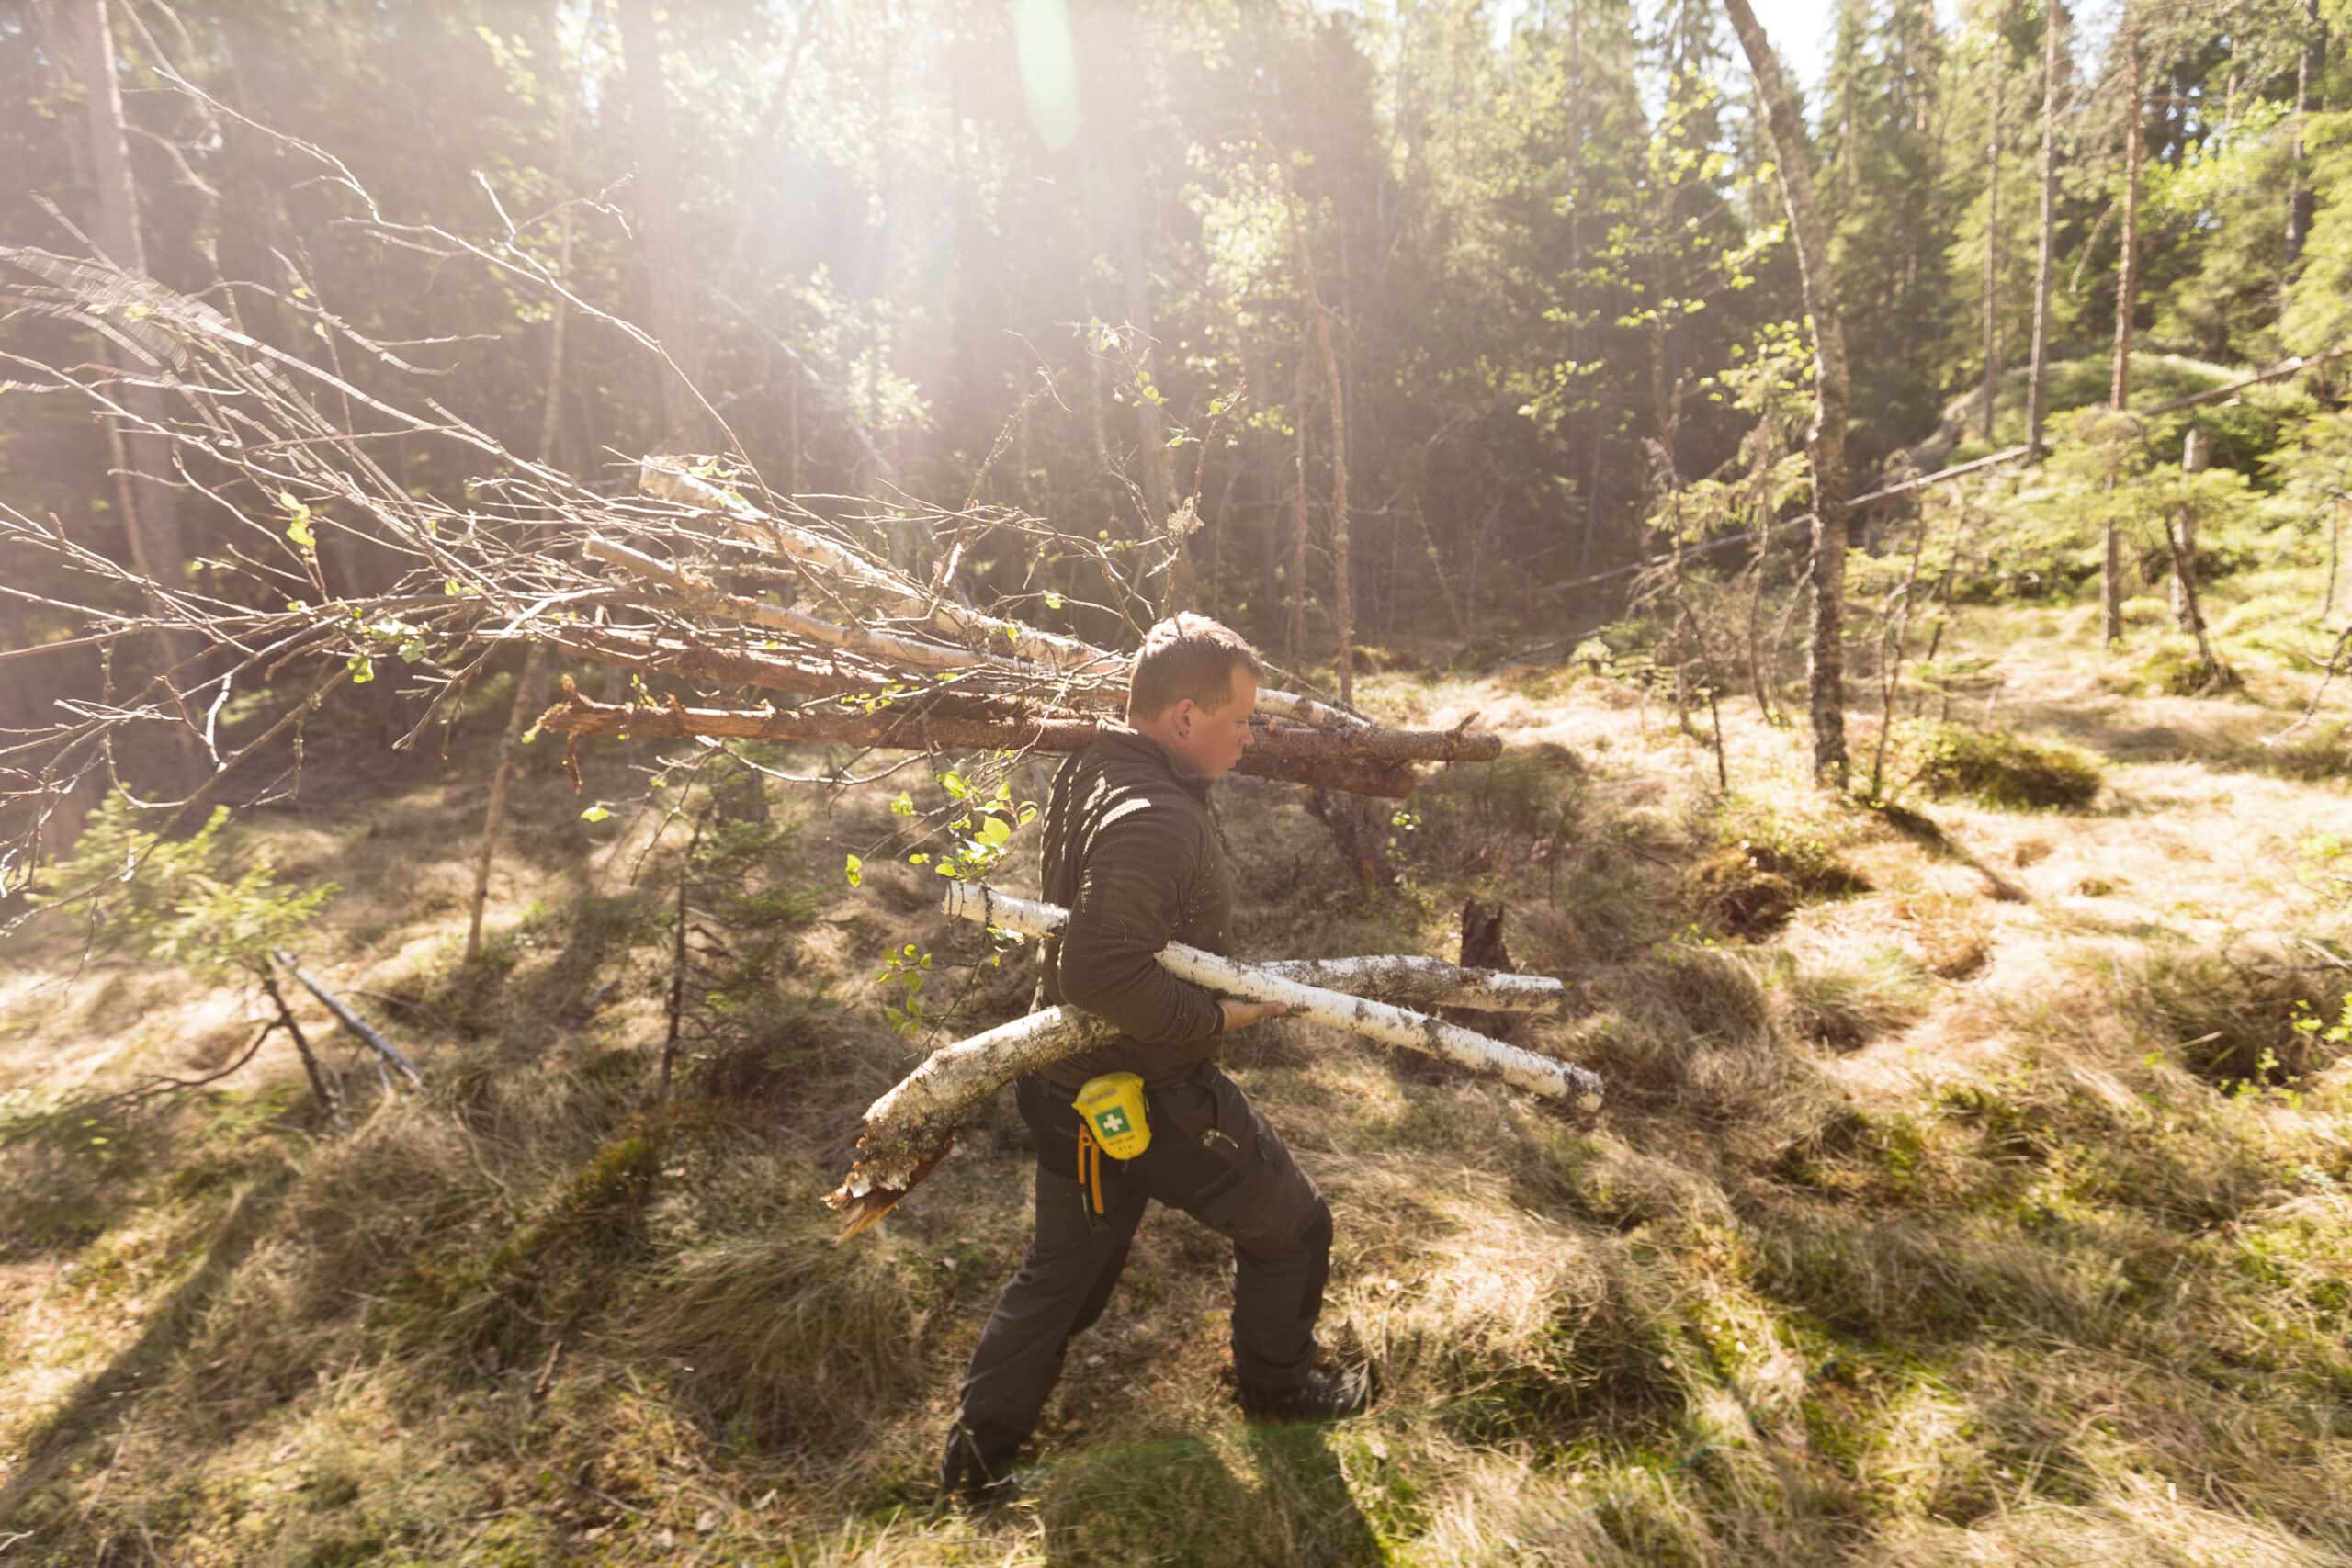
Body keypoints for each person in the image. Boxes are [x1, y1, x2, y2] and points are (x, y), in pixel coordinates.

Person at [940, 613, 1374, 1504]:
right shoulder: (1156, 815)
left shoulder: (1096, 762)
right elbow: (1100, 968)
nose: (1249, 738)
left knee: (1067, 1279)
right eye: (1239, 719)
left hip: (1072, 1087)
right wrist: (1213, 1018)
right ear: (1183, 716)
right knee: (1294, 1229)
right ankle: (1279, 1390)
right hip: (1148, 1094)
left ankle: (975, 1460)